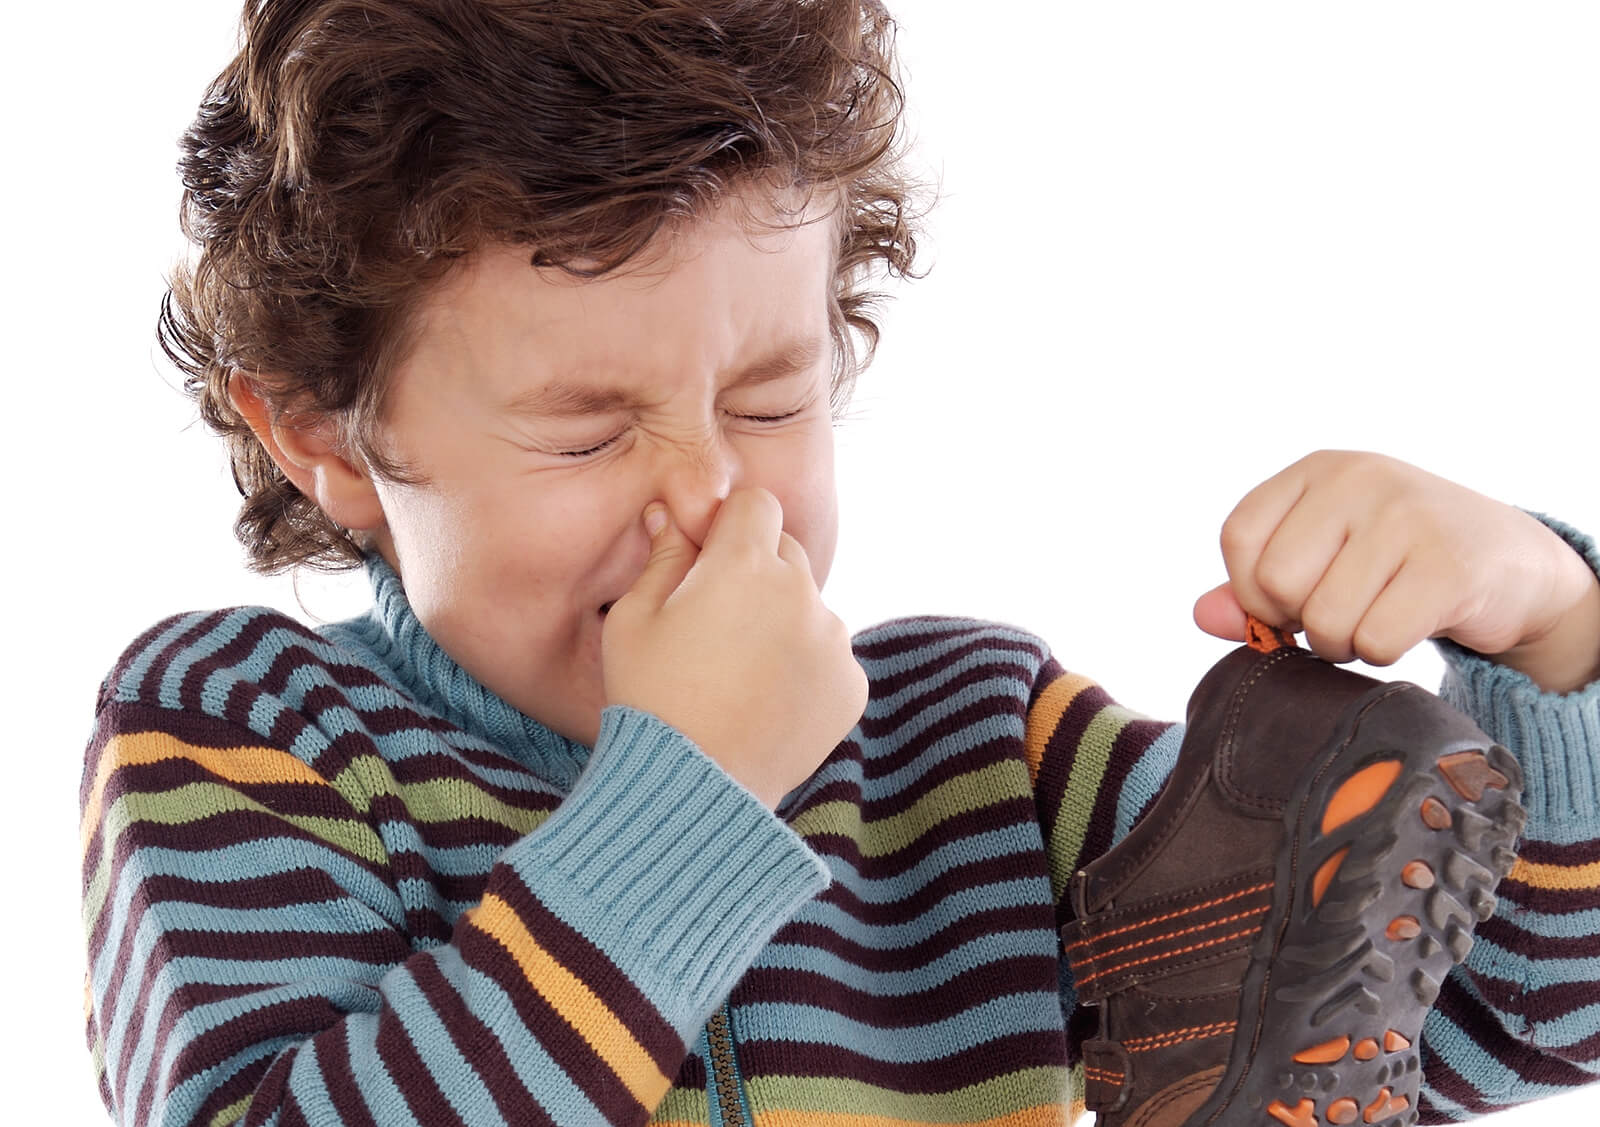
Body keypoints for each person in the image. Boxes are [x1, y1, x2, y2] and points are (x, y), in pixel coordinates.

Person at [78, 1, 1600, 1124]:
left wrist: (1546, 625)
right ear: (323, 440)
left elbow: (1506, 1016)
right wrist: (691, 806)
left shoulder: (967, 741)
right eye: (585, 430)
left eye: (770, 399)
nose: (714, 504)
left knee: (1276, 899)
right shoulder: (247, 730)